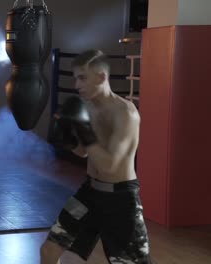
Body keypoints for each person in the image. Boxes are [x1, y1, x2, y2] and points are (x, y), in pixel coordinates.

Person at [41, 49, 151, 263]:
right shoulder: (88, 108)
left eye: (82, 78)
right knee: (49, 250)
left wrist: (83, 130)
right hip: (89, 193)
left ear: (101, 76)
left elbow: (109, 166)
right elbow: (83, 152)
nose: (77, 85)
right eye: (75, 78)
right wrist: (68, 140)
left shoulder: (125, 114)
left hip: (121, 200)